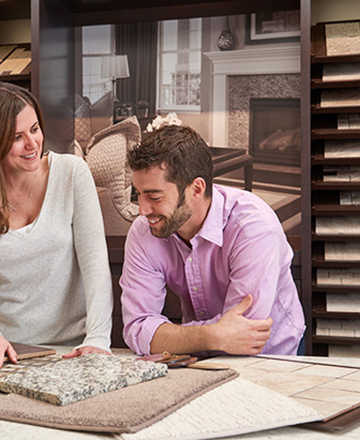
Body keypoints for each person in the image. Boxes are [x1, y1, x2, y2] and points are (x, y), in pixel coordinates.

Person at [0, 82, 113, 369]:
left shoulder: (72, 174)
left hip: (73, 349)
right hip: (6, 352)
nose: (32, 144)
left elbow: (95, 263)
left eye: (35, 129)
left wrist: (97, 338)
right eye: (16, 137)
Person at [120, 124, 305, 357]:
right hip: (196, 357)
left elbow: (243, 332)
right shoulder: (144, 231)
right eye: (138, 194)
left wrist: (172, 337)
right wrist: (213, 335)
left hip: (273, 356)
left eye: (155, 197)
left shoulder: (253, 228)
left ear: (196, 189)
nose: (142, 210)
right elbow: (137, 329)